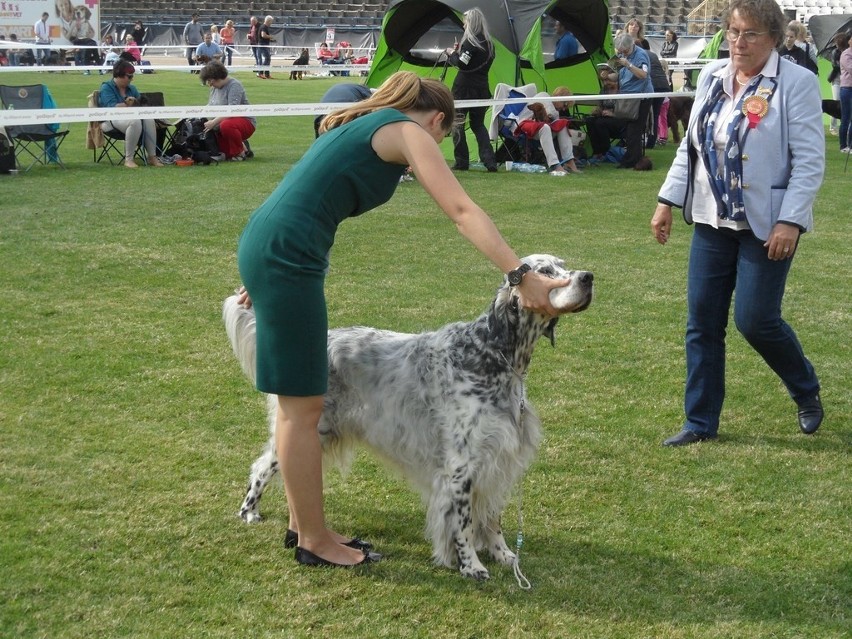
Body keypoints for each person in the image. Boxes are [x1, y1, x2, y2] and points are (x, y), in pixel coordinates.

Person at [234, 70, 567, 568]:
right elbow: (461, 209)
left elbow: (302, 193)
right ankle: (314, 541)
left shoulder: (364, 126)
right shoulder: (408, 132)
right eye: (442, 135)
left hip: (276, 247)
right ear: (437, 120)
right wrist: (519, 274)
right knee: (304, 409)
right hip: (287, 256)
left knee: (297, 407)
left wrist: (263, 260)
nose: (434, 145)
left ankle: (303, 525)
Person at [650, 0, 825, 447]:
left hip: (767, 222)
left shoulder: (797, 83)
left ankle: (805, 388)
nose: (738, 43)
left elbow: (808, 162)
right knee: (702, 322)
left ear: (774, 39)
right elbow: (689, 148)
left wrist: (791, 221)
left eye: (750, 34)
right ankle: (700, 421)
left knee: (755, 320)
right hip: (711, 219)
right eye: (732, 32)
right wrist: (667, 200)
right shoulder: (712, 76)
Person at [587, 31, 653, 169]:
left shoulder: (641, 55)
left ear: (632, 45)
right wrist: (606, 76)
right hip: (626, 97)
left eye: (626, 51)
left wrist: (628, 64)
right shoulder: (622, 56)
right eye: (621, 51)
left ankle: (632, 161)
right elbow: (619, 76)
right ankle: (629, 158)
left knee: (634, 130)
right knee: (629, 129)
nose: (624, 53)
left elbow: (643, 75)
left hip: (640, 97)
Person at [446, 8, 498, 172]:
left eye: (465, 21)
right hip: (482, 88)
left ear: (471, 23)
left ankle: (462, 162)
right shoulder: (490, 44)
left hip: (463, 89)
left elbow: (462, 64)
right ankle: (490, 161)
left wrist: (452, 53)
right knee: (478, 125)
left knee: (458, 124)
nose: (463, 23)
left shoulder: (471, 42)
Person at [98, 60, 164, 168]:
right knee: (135, 122)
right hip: (109, 121)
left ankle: (152, 156)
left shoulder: (132, 89)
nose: (131, 79)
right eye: (129, 76)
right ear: (119, 75)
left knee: (149, 120)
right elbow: (111, 108)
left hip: (130, 118)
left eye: (132, 76)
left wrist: (138, 103)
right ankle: (128, 159)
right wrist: (127, 104)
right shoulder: (106, 87)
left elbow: (141, 104)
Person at [199, 61, 255, 160]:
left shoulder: (234, 85)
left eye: (210, 81)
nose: (210, 84)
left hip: (243, 121)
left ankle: (239, 153)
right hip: (221, 122)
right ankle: (243, 147)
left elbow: (232, 110)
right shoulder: (214, 88)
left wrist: (214, 122)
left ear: (217, 78)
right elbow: (210, 105)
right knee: (224, 153)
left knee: (226, 125)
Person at [515, 93, 582, 174]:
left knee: (562, 124)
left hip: (541, 128)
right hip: (526, 123)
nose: (564, 109)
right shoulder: (544, 96)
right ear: (558, 98)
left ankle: (569, 161)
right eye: (565, 105)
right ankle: (554, 165)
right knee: (545, 127)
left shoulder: (555, 112)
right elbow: (546, 114)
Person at [639, 40, 671, 148]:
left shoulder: (640, 55)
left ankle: (644, 140)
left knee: (645, 113)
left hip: (653, 86)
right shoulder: (653, 55)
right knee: (656, 114)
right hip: (663, 86)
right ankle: (651, 142)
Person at [827, 32, 848, 136]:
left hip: (847, 81)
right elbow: (835, 66)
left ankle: (844, 126)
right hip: (837, 80)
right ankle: (833, 127)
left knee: (845, 104)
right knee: (836, 103)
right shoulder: (835, 52)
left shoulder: (848, 52)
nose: (836, 44)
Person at [840, 34, 852, 153]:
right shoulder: (846, 54)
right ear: (849, 41)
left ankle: (851, 145)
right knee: (846, 117)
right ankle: (843, 145)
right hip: (847, 89)